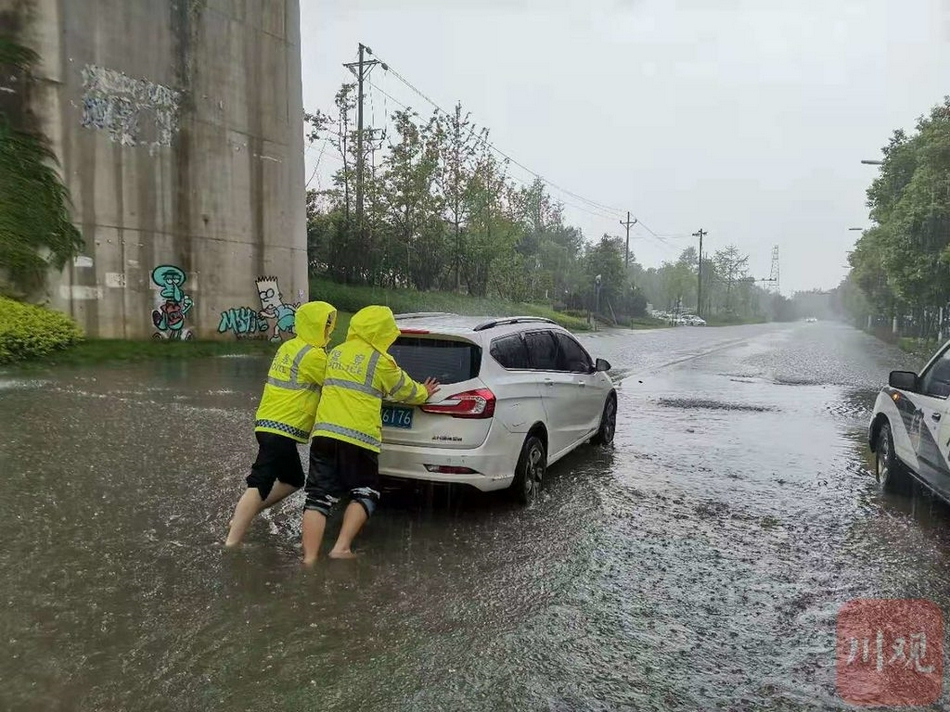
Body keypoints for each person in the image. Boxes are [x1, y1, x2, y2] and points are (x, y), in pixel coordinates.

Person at [301, 305, 439, 563]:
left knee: (318, 496)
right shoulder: (381, 361)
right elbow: (406, 391)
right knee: (366, 492)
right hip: (358, 438)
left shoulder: (335, 353)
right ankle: (340, 547)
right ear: (383, 333)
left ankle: (308, 559)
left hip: (324, 435)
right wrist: (425, 391)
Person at [225, 301, 338, 547]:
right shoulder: (313, 355)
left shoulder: (290, 346)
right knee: (261, 481)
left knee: (294, 479)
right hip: (280, 428)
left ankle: (243, 515)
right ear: (316, 325)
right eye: (326, 323)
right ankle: (232, 542)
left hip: (267, 424)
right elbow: (336, 382)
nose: (330, 329)